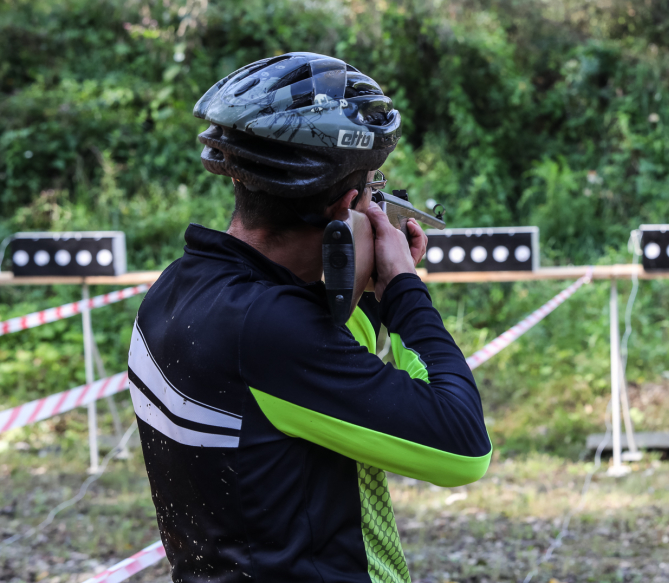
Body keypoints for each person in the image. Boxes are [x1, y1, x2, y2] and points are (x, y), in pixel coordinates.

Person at [127, 52, 491, 583]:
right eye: (373, 191)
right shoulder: (270, 328)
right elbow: (461, 448)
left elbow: (336, 370)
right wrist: (403, 292)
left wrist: (360, 287)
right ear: (346, 202)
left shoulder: (177, 290)